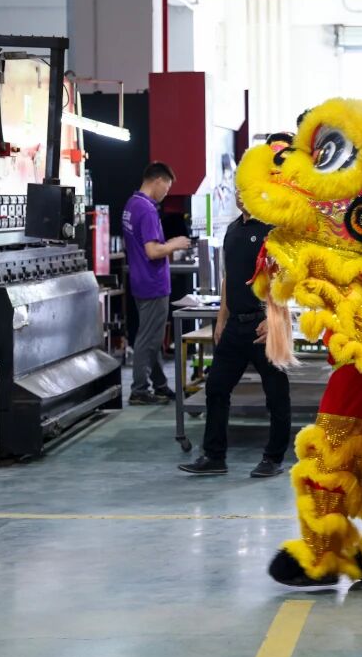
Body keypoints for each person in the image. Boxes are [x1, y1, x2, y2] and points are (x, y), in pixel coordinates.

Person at [179, 192, 290, 478]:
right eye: (237, 187)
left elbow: (283, 278)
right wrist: (221, 319)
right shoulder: (232, 230)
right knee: (216, 388)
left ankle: (274, 458)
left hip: (263, 327)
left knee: (276, 394)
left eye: (245, 187)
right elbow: (229, 277)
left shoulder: (272, 229)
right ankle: (214, 456)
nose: (241, 194)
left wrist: (274, 320)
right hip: (234, 327)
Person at [123, 163, 191, 405]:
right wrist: (175, 244)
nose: (166, 193)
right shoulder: (147, 210)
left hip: (140, 281)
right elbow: (152, 251)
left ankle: (160, 385)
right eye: (167, 187)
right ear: (158, 181)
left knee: (151, 336)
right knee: (148, 340)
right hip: (153, 283)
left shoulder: (132, 205)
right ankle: (139, 390)